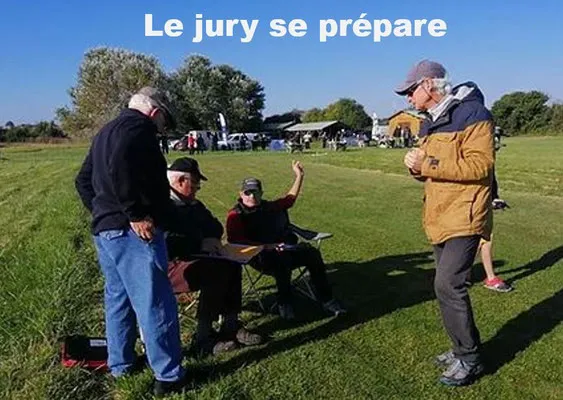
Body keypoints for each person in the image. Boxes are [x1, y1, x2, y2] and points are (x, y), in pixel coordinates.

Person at [75, 87, 188, 397]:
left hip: (107, 231)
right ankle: (169, 374)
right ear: (156, 112)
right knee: (155, 301)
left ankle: (121, 364)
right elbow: (121, 166)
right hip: (133, 232)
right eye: (164, 122)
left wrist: (102, 210)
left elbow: (83, 180)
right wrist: (134, 213)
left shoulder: (106, 131)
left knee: (118, 298)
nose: (163, 129)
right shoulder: (139, 129)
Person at [397, 60, 494, 386]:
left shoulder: (473, 114)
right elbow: (430, 170)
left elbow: (481, 166)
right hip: (439, 216)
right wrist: (415, 166)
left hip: (465, 215)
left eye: (411, 90)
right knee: (446, 286)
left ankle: (470, 359)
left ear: (428, 85)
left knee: (448, 285)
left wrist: (428, 162)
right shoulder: (429, 122)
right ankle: (460, 348)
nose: (408, 97)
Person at [165, 157, 262, 356]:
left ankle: (230, 324)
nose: (197, 189)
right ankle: (203, 337)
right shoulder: (163, 206)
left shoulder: (193, 204)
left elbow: (215, 227)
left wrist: (208, 239)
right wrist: (199, 242)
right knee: (214, 271)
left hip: (195, 258)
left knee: (232, 263)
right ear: (181, 181)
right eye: (195, 184)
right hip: (168, 266)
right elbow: (167, 241)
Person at [226, 161, 346, 320]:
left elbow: (289, 200)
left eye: (256, 192)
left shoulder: (269, 207)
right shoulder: (236, 215)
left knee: (312, 254)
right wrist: (267, 246)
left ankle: (327, 300)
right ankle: (284, 303)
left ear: (261, 193)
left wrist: (299, 176)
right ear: (241, 194)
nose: (252, 196)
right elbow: (236, 242)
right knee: (281, 260)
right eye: (248, 193)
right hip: (257, 256)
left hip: (284, 249)